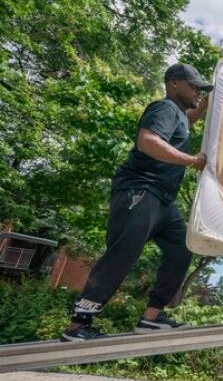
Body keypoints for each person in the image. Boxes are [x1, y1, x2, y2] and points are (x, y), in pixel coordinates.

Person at [61, 63, 212, 341]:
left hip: (163, 201)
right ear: (174, 84)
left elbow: (188, 121)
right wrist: (192, 161)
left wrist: (208, 102)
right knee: (123, 253)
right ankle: (78, 324)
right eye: (194, 86)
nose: (197, 92)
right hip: (140, 191)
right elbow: (148, 141)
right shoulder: (164, 109)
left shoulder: (179, 116)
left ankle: (151, 317)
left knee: (182, 247)